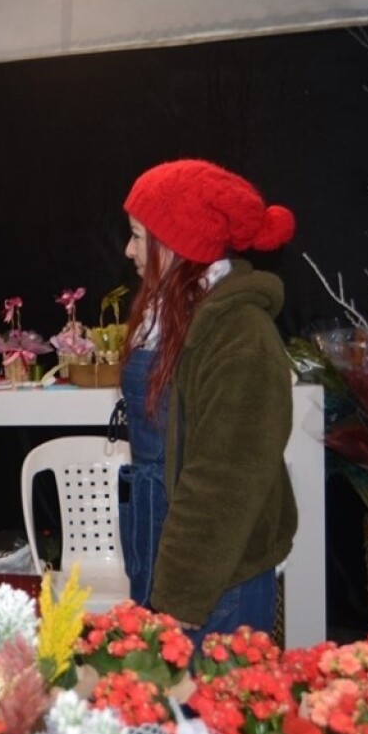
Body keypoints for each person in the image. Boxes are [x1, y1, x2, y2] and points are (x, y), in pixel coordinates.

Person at [117, 158, 297, 646]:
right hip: (160, 555)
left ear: (179, 243)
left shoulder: (239, 333)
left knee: (209, 719)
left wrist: (181, 595)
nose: (129, 250)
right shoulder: (172, 318)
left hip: (212, 582)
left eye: (138, 235)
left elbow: (225, 477)